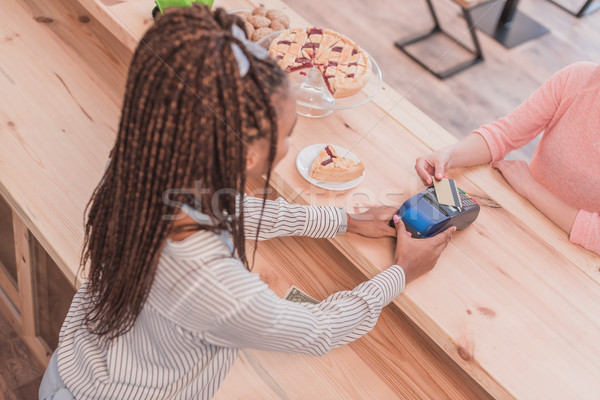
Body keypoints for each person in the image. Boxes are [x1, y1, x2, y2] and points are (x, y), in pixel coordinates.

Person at [39, 5, 454, 400]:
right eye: (287, 134)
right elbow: (316, 331)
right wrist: (400, 272)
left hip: (74, 369)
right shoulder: (215, 287)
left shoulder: (141, 161)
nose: (290, 144)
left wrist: (343, 220)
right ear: (249, 155)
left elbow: (228, 208)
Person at [415, 62, 600, 256]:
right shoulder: (578, 77)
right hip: (521, 212)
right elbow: (504, 134)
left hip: (575, 255)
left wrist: (530, 188)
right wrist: (449, 156)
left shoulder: (528, 188)